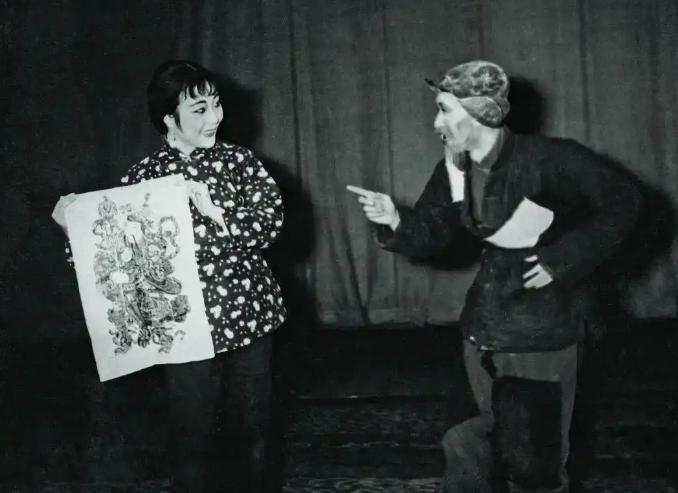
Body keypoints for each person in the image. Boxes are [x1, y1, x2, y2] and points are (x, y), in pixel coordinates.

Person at [347, 60, 641, 492]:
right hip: (483, 326)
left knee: (534, 466)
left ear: (482, 113)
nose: (436, 123)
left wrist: (562, 259)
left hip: (542, 334)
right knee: (464, 445)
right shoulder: (454, 167)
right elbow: (433, 229)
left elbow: (624, 201)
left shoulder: (551, 159)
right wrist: (394, 220)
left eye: (445, 110)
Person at [54, 60, 286, 493]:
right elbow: (110, 264)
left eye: (216, 104)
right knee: (192, 445)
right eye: (199, 109)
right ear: (168, 118)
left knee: (254, 436)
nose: (214, 117)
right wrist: (75, 229)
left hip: (250, 322)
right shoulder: (142, 179)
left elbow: (269, 225)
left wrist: (216, 212)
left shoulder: (239, 162)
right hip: (185, 334)